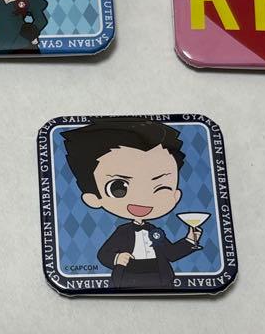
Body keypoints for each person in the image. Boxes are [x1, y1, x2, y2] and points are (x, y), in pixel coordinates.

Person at [62, 118, 200, 291]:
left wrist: (190, 240)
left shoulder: (155, 231)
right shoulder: (122, 232)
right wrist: (117, 258)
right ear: (93, 198)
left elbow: (170, 254)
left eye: (161, 187)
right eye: (119, 187)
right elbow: (103, 254)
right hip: (128, 275)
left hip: (160, 276)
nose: (143, 198)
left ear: (176, 195)